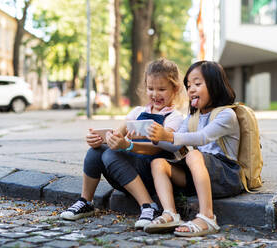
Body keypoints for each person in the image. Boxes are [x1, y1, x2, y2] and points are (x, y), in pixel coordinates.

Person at [60, 58, 185, 229]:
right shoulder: (137, 112)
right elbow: (116, 135)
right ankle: (86, 201)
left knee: (111, 153)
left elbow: (163, 147)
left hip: (152, 175)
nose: (155, 94)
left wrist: (127, 146)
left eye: (161, 89)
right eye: (150, 89)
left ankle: (149, 206)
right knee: (97, 151)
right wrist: (100, 139)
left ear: (175, 89)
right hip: (126, 174)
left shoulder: (174, 117)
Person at [144, 61, 243, 237]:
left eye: (197, 84)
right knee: (158, 163)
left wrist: (168, 135)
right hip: (199, 174)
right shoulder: (193, 117)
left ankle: (207, 217)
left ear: (215, 85)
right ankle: (170, 213)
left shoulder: (226, 114)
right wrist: (153, 137)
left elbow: (202, 137)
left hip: (227, 177)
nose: (191, 90)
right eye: (189, 85)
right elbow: (175, 143)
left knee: (194, 155)